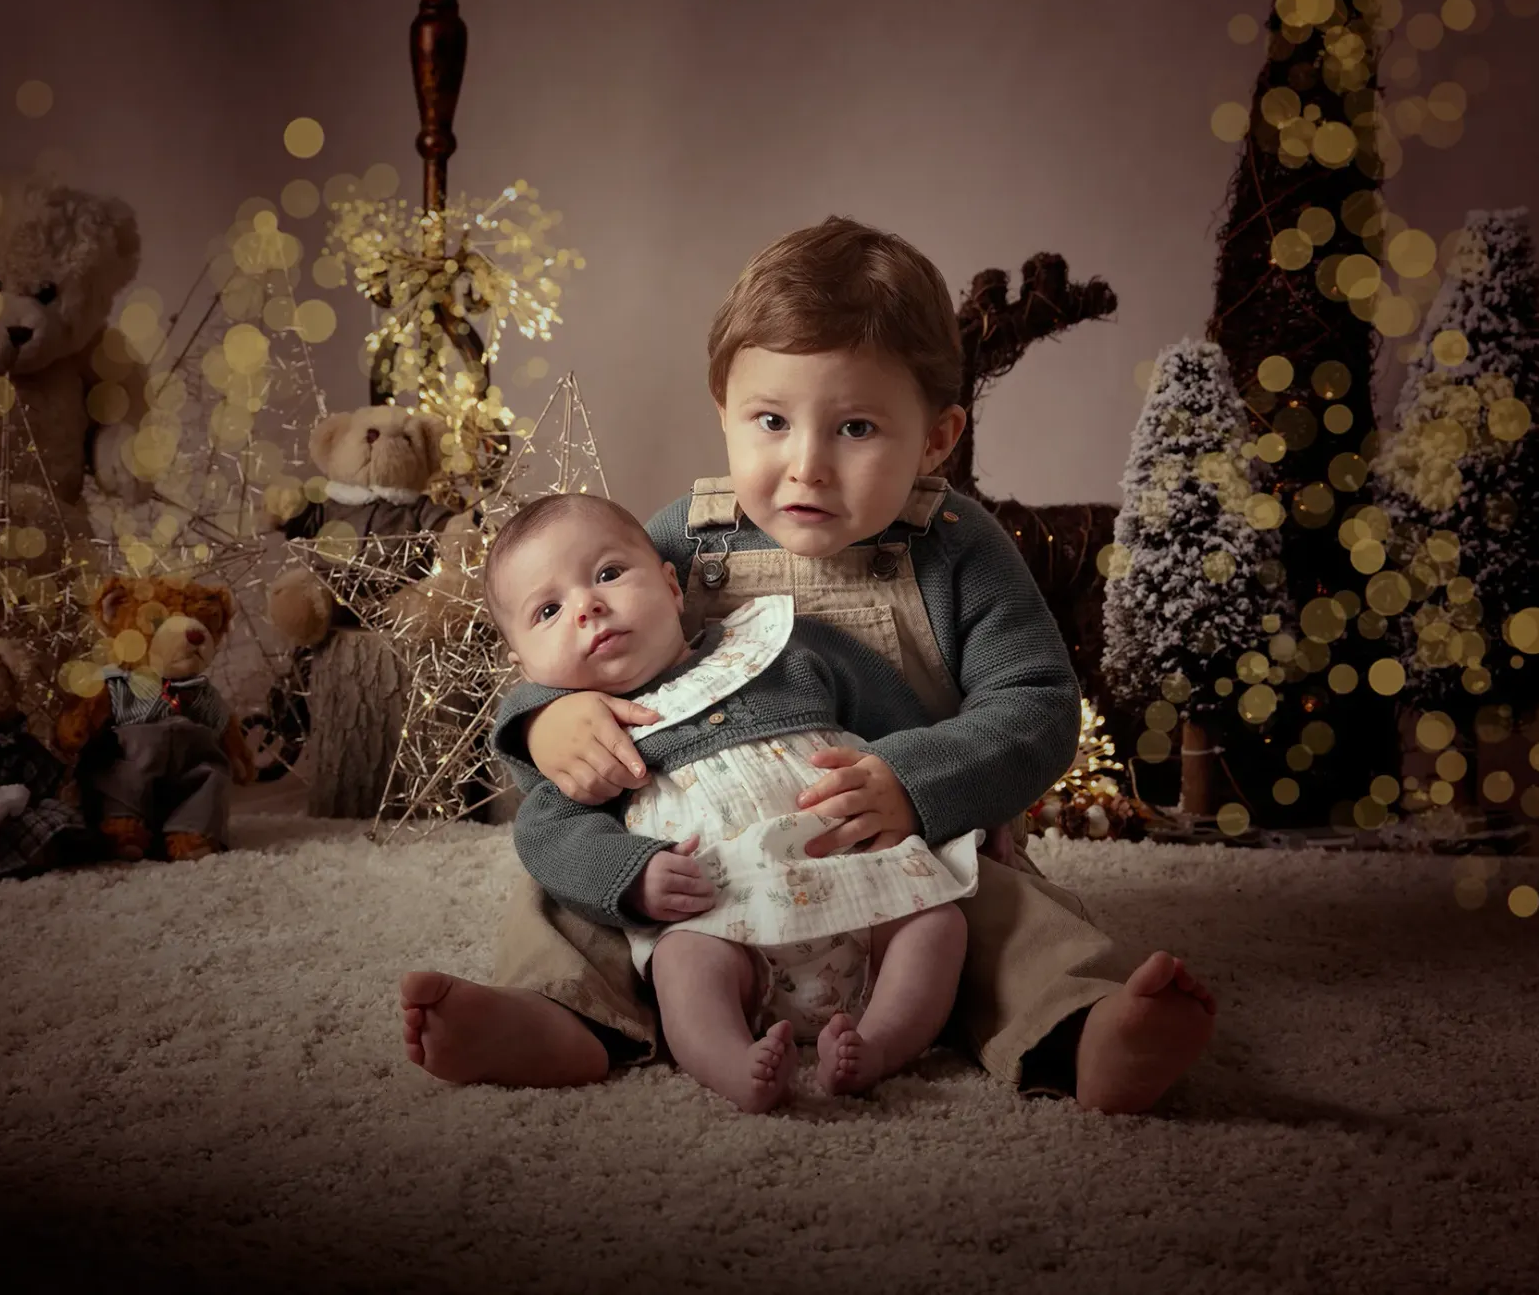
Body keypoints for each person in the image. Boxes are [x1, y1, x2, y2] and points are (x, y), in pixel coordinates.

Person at [402, 216, 1214, 1111]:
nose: (806, 466)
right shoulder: (682, 541)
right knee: (568, 888)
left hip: (902, 848)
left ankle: (1083, 1028)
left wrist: (918, 781)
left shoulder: (959, 550)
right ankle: (553, 1018)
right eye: (771, 421)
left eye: (856, 427)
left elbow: (1037, 704)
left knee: (1011, 916)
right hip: (700, 868)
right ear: (724, 413)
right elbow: (575, 641)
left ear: (937, 438)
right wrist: (546, 718)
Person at [474, 492, 982, 1111]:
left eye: (608, 574)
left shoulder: (781, 648)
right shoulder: (588, 745)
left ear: (671, 585)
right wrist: (630, 878)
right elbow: (550, 835)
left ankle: (878, 1044)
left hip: (863, 879)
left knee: (938, 921)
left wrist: (949, 795)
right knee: (682, 963)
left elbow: (899, 718)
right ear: (524, 665)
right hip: (721, 913)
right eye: (548, 610)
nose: (588, 607)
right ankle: (730, 1063)